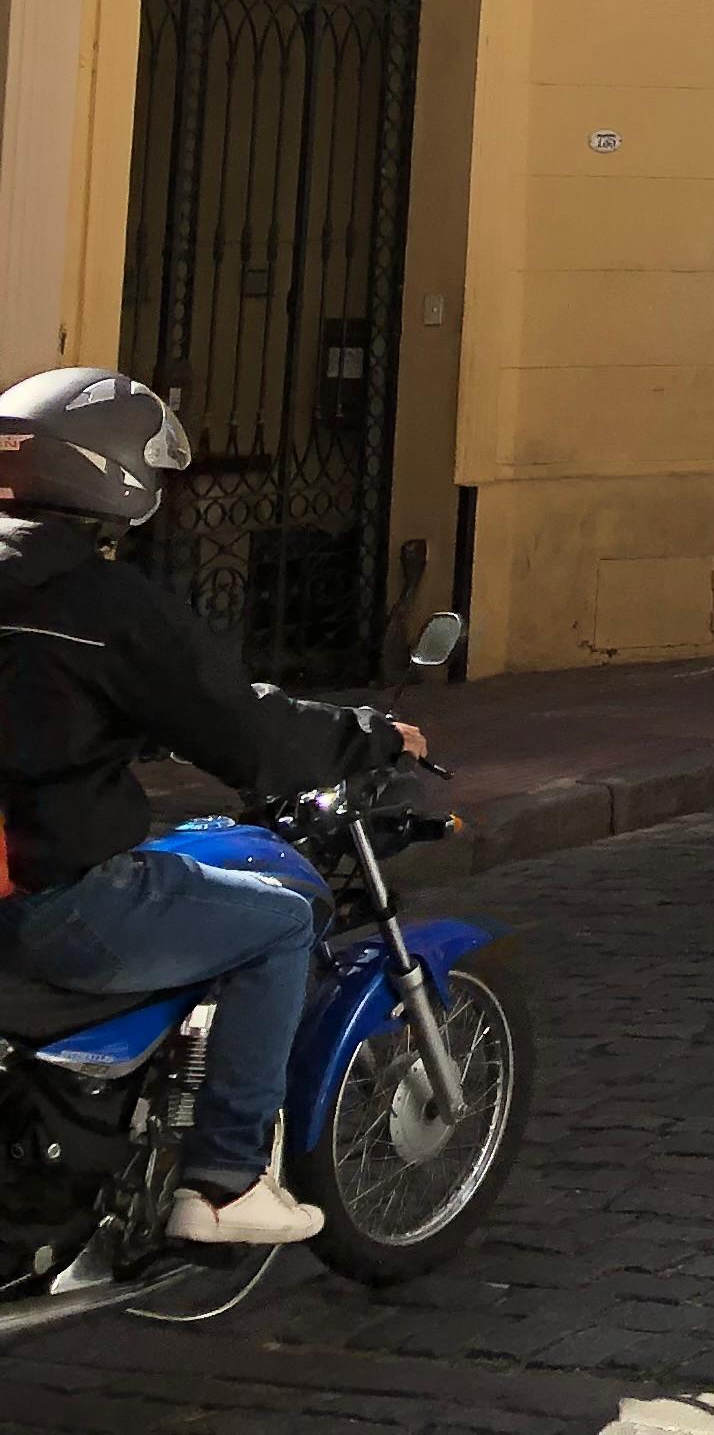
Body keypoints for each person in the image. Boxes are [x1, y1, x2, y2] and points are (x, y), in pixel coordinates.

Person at [0, 367, 426, 1247]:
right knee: (274, 924)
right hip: (47, 899)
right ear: (113, 474)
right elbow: (245, 734)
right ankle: (224, 1183)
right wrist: (368, 736)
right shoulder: (103, 604)